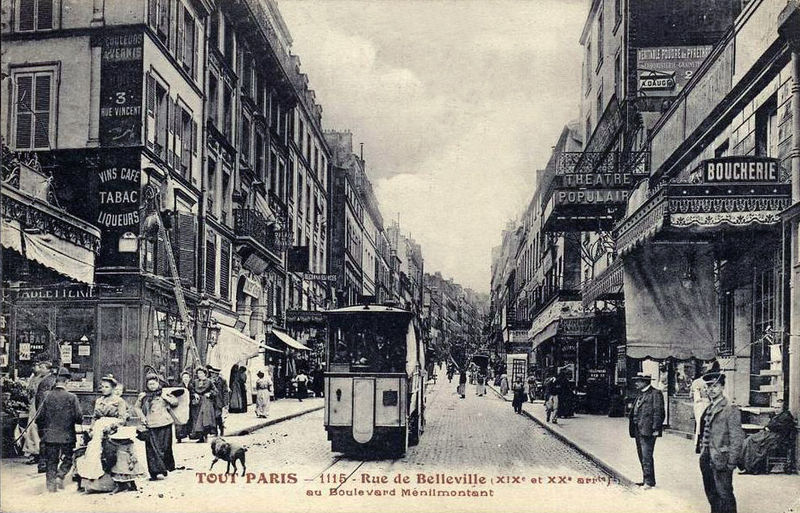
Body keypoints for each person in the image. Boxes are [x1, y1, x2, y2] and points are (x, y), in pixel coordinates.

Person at [76, 375, 143, 493]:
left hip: (112, 431)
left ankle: (119, 482)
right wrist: (91, 429)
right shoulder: (99, 401)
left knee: (111, 455)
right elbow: (94, 417)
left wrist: (111, 426)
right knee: (94, 453)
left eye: (107, 387)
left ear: (113, 388)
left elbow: (122, 419)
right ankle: (95, 484)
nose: (104, 389)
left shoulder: (119, 401)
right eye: (102, 387)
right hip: (98, 430)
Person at [695, 371, 745, 513]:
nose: (711, 389)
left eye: (715, 386)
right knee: (711, 493)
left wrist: (731, 463)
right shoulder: (709, 407)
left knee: (725, 495)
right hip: (706, 457)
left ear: (723, 387)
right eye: (709, 386)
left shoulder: (730, 409)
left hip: (722, 459)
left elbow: (737, 438)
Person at [35, 367, 82, 493]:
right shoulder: (72, 397)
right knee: (68, 458)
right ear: (66, 381)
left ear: (55, 381)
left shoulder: (46, 396)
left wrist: (44, 432)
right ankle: (60, 475)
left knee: (51, 461)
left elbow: (39, 418)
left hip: (49, 435)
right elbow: (78, 417)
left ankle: (51, 487)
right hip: (67, 435)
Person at [134, 372, 178, 480]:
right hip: (151, 424)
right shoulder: (143, 396)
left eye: (154, 384)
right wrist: (142, 417)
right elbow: (137, 407)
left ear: (158, 383)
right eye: (150, 384)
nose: (152, 386)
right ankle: (156, 472)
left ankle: (164, 468)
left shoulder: (164, 392)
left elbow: (175, 402)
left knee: (165, 447)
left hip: (165, 423)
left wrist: (166, 398)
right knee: (152, 449)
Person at [628, 373, 665, 489]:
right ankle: (647, 479)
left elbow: (659, 412)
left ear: (645, 382)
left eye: (638, 381)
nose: (636, 383)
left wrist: (656, 428)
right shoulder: (640, 394)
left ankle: (648, 481)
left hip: (648, 430)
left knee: (646, 455)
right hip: (638, 429)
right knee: (641, 455)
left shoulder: (655, 393)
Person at [22, 359, 51, 465]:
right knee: (32, 428)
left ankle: (39, 453)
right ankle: (35, 452)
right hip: (34, 404)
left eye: (42, 367)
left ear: (48, 369)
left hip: (41, 406)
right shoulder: (36, 377)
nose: (39, 368)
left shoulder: (49, 379)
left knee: (36, 428)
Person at [34, 360, 58, 473]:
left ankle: (43, 463)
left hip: (43, 414)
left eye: (42, 367)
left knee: (45, 439)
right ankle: (44, 464)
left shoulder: (48, 381)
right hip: (47, 415)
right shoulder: (50, 381)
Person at [188, 367, 218, 442]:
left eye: (201, 373)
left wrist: (210, 394)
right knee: (197, 419)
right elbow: (191, 390)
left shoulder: (209, 382)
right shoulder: (195, 382)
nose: (200, 375)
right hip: (197, 402)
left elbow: (216, 391)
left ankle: (205, 436)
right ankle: (200, 437)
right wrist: (194, 394)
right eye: (198, 373)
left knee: (204, 419)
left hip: (206, 402)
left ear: (205, 373)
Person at [207, 365, 229, 435]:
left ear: (217, 374)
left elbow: (225, 392)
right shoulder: (209, 380)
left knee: (218, 416)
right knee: (213, 417)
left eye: (214, 373)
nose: (212, 375)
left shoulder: (223, 381)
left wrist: (226, 403)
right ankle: (215, 431)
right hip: (211, 401)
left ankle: (221, 428)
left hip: (219, 401)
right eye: (211, 373)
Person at [175, 371, 193, 443]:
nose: (185, 379)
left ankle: (189, 434)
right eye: (184, 377)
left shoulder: (191, 386)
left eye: (187, 377)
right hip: (182, 405)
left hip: (190, 404)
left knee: (190, 419)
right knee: (181, 420)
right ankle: (179, 436)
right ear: (182, 378)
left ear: (189, 378)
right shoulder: (179, 386)